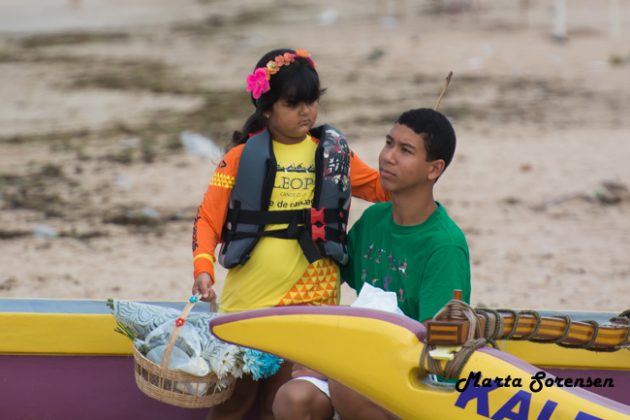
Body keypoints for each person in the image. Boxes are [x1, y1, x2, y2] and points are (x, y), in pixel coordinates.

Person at [191, 48, 390, 420]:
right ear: (266, 108)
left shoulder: (334, 156)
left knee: (277, 407)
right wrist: (203, 267)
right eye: (293, 103)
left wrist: (410, 163)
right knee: (229, 407)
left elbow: (382, 189)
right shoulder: (238, 158)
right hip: (248, 308)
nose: (306, 112)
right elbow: (207, 219)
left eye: (312, 101)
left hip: (311, 306)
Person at [273, 108, 471, 420]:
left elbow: (443, 349)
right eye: (388, 143)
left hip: (419, 384)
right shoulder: (374, 220)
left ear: (434, 169)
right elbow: (327, 277)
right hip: (358, 364)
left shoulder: (443, 245)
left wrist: (331, 363)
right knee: (293, 398)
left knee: (348, 384)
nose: (388, 157)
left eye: (405, 151)